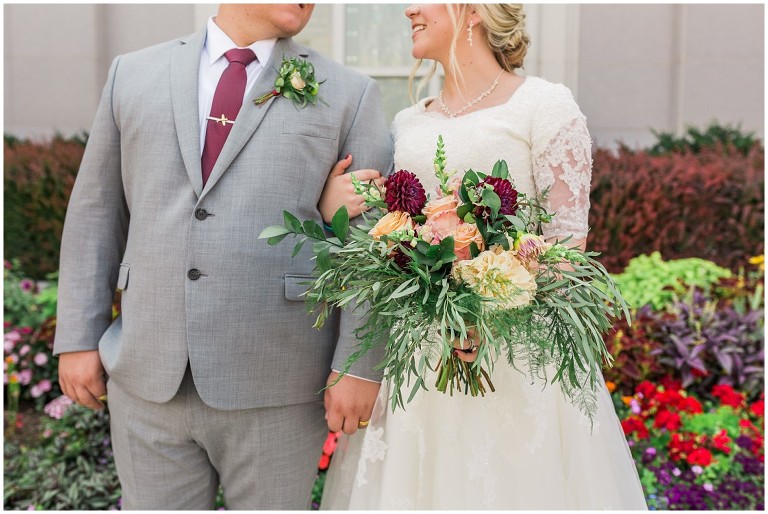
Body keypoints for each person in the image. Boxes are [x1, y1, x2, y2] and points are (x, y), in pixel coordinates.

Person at [53, 4, 392, 509]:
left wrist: (359, 366)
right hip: (147, 376)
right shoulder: (132, 73)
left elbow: (374, 242)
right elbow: (96, 211)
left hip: (278, 381)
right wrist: (78, 336)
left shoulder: (349, 93)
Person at [317, 4, 648, 509]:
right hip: (416, 362)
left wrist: (486, 314)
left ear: (471, 10)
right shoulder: (408, 121)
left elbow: (565, 248)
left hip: (514, 357)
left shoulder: (545, 106)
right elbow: (388, 232)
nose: (410, 9)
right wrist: (334, 204)